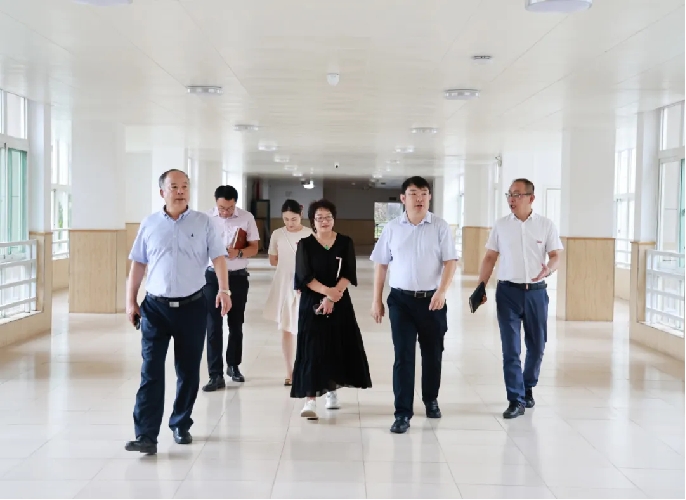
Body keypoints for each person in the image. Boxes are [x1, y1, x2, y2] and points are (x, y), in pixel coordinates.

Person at [125, 169, 231, 455]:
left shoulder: (203, 222)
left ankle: (181, 423)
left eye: (185, 186)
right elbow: (138, 263)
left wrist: (224, 290)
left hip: (192, 307)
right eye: (174, 186)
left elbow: (218, 257)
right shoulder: (149, 224)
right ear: (162, 192)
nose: (181, 191)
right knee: (150, 371)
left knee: (188, 371)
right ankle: (146, 435)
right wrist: (131, 301)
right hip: (155, 308)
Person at [370, 176, 458, 434]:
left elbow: (450, 262)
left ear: (429, 197)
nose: (419, 198)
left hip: (432, 301)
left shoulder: (440, 226)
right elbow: (381, 265)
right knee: (403, 356)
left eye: (423, 193)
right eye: (413, 193)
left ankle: (430, 399)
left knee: (432, 353)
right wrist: (376, 299)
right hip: (401, 301)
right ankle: (402, 413)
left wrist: (442, 292)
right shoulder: (392, 228)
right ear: (403, 198)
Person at [476, 178, 563, 419]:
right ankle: (515, 399)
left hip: (536, 293)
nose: (511, 199)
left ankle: (527, 385)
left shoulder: (545, 225)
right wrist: (481, 286)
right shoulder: (501, 225)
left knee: (537, 345)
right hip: (508, 293)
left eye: (517, 194)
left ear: (531, 198)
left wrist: (549, 269)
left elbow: (556, 256)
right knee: (511, 349)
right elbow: (490, 258)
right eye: (509, 195)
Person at [291, 199, 372, 420]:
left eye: (328, 217)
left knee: (335, 345)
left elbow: (348, 272)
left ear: (334, 219)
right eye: (319, 218)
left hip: (339, 300)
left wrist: (332, 296)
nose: (324, 221)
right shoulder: (305, 244)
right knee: (311, 349)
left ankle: (332, 391)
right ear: (312, 221)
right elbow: (304, 276)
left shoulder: (345, 242)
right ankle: (310, 400)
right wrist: (326, 293)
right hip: (312, 301)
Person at [202, 185, 260, 391]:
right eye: (221, 208)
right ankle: (215, 374)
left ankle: (233, 365)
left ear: (235, 203)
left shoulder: (246, 217)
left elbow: (254, 247)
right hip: (212, 278)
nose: (225, 212)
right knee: (213, 326)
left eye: (229, 208)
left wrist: (239, 253)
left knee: (236, 324)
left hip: (237, 277)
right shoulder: (206, 218)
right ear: (215, 202)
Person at [263, 199, 313, 386]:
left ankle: (305, 369)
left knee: (305, 327)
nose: (290, 223)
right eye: (286, 219)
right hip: (284, 284)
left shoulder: (310, 233)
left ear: (301, 215)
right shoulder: (277, 234)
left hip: (305, 284)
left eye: (293, 219)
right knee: (286, 328)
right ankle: (289, 372)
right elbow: (272, 260)